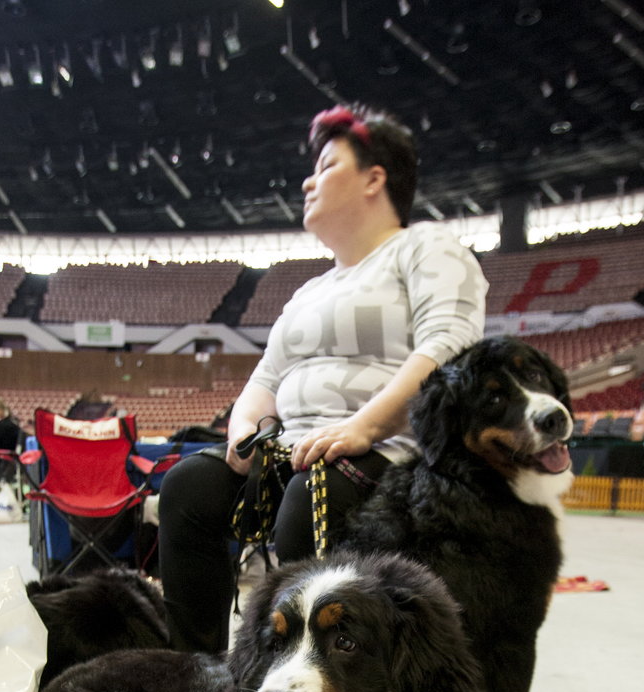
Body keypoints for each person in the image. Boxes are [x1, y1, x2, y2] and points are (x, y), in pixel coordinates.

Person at [158, 102, 488, 653]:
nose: (309, 181)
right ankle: (199, 672)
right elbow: (266, 378)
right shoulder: (307, 291)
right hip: (294, 449)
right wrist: (246, 434)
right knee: (189, 486)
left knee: (306, 497)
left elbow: (449, 347)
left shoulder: (425, 246)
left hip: (389, 451)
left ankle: (300, 682)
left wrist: (364, 426)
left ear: (374, 178)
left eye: (328, 166)